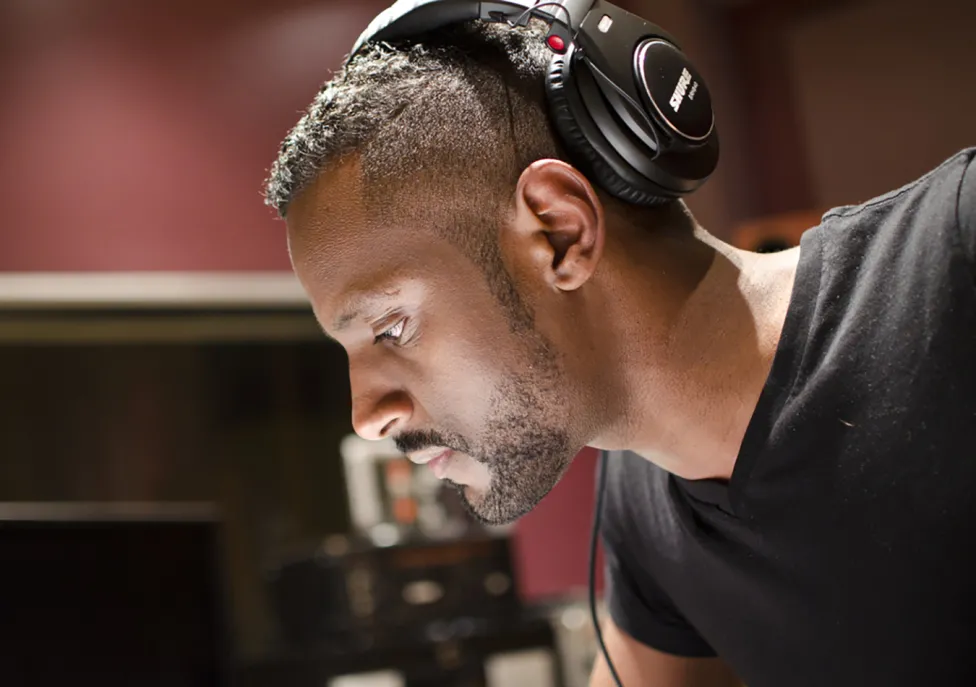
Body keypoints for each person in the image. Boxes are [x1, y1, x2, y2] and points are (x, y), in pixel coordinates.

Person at [263, 15, 976, 687]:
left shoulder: (956, 256)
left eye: (390, 328)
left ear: (558, 232)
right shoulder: (647, 501)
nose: (366, 416)